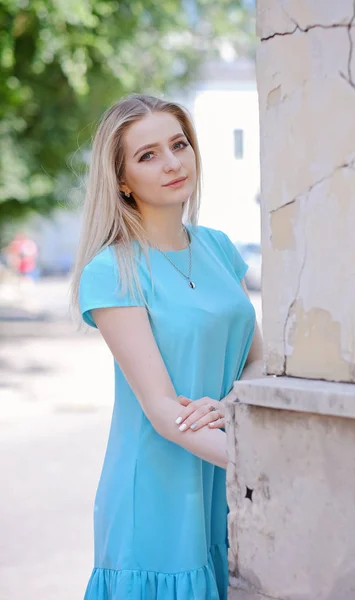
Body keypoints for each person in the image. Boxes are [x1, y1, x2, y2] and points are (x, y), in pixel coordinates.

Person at [70, 94, 263, 600]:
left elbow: (256, 362)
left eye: (179, 144)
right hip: (156, 492)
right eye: (148, 154)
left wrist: (230, 407)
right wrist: (265, 464)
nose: (173, 163)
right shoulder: (112, 271)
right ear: (122, 181)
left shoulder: (220, 247)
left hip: (220, 477)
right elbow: (160, 410)